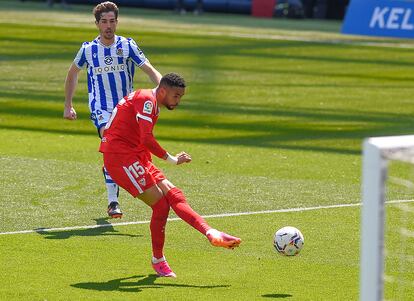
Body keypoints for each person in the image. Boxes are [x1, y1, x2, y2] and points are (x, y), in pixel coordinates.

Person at [99, 73, 241, 277]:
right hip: (120, 157)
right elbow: (146, 138)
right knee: (161, 204)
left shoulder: (150, 100)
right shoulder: (147, 101)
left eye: (181, 96)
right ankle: (158, 260)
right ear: (163, 91)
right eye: (176, 96)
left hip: (137, 154)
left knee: (175, 194)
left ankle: (211, 233)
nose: (178, 101)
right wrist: (172, 159)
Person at [64, 1, 162, 219]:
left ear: (117, 22)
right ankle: (113, 202)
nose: (108, 25)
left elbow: (149, 68)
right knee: (111, 144)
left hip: (127, 110)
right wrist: (68, 105)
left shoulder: (127, 46)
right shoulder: (88, 50)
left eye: (112, 21)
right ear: (97, 24)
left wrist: (160, 90)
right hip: (102, 109)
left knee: (129, 151)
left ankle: (146, 184)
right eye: (104, 22)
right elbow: (72, 74)